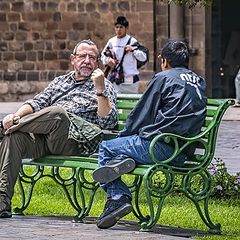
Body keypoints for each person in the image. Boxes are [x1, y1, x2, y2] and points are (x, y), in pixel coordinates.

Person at [93, 40, 207, 229]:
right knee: (121, 152)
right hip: (183, 153)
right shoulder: (199, 81)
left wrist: (124, 135)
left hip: (160, 148)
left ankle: (118, 197)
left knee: (106, 148)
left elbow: (142, 113)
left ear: (165, 61)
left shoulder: (163, 77)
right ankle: (122, 159)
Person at [0, 39, 118, 218]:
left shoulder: (103, 85)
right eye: (82, 56)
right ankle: (2, 201)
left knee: (58, 113)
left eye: (92, 57)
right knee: (13, 137)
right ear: (73, 59)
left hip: (76, 141)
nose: (87, 60)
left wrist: (100, 89)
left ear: (97, 62)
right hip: (47, 139)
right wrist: (15, 116)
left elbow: (109, 122)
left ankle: (2, 128)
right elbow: (37, 102)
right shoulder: (60, 82)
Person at [101, 16, 147, 94]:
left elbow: (143, 57)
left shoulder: (132, 41)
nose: (118, 30)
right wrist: (108, 60)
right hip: (116, 80)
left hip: (130, 81)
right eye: (117, 27)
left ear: (126, 28)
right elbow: (103, 55)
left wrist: (133, 50)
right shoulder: (111, 41)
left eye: (121, 27)